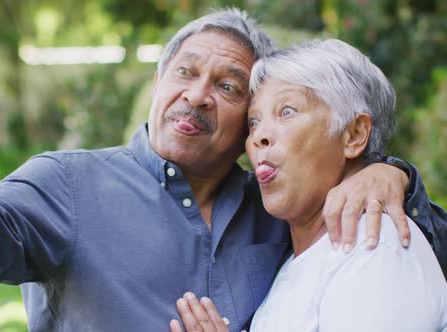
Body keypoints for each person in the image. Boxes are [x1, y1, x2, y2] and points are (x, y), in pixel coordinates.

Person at [0, 8, 444, 331]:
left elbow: (415, 257)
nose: (197, 96)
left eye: (229, 86)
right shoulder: (69, 185)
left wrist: (390, 175)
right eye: (184, 73)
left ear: (248, 122)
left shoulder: (284, 210)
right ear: (157, 85)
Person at [170, 39, 447, 332]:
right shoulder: (297, 260)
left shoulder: (375, 245)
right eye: (253, 122)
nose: (259, 136)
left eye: (286, 111)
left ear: (353, 135)